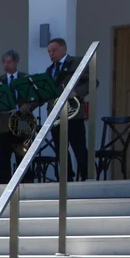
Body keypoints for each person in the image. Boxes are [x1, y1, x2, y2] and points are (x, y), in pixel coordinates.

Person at [46, 38, 91, 181]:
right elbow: (47, 92)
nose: (51, 54)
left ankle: (86, 176)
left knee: (79, 148)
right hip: (55, 115)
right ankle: (67, 178)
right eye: (49, 52)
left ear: (64, 49)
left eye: (54, 50)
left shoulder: (77, 62)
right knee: (61, 150)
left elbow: (92, 81)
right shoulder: (50, 70)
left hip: (73, 114)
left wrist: (76, 92)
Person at [0, 49, 34, 184]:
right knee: (4, 156)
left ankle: (26, 181)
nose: (6, 65)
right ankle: (3, 184)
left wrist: (29, 105)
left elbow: (36, 97)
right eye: (4, 62)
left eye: (9, 61)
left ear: (17, 62)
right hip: (4, 123)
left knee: (22, 154)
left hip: (21, 120)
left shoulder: (25, 78)